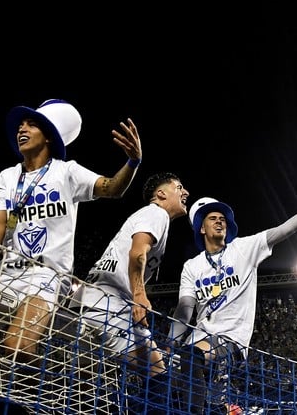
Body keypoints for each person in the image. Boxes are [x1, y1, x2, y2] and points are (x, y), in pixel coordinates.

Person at [0, 99, 142, 411]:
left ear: (49, 135)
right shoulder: (8, 177)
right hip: (6, 275)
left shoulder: (67, 172)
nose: (22, 128)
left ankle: (59, 394)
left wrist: (132, 162)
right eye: (21, 125)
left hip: (48, 276)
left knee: (18, 347)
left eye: (32, 124)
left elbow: (111, 188)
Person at [169, 193, 297, 414]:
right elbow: (185, 308)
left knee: (192, 360)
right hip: (198, 341)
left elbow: (284, 230)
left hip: (230, 340)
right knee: (161, 376)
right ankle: (220, 407)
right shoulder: (192, 266)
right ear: (201, 228)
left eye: (222, 218)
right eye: (212, 218)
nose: (219, 221)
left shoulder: (243, 249)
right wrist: (170, 344)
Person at [72, 171, 189, 413]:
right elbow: (137, 253)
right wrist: (138, 295)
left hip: (83, 306)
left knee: (86, 394)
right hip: (109, 306)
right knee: (158, 375)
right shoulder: (157, 213)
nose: (185, 192)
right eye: (179, 187)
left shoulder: (147, 215)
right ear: (160, 194)